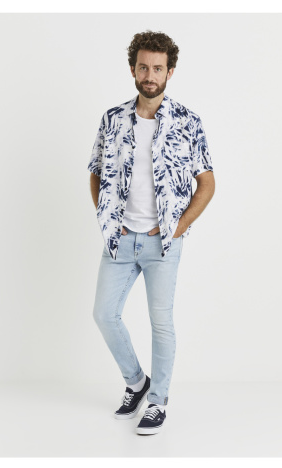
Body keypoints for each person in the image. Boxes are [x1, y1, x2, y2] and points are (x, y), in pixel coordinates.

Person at [88, 30, 215, 435]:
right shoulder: (112, 119)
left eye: (158, 68)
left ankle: (157, 401)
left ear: (169, 72)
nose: (150, 75)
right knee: (104, 314)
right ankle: (136, 381)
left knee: (161, 322)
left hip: (164, 243)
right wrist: (109, 219)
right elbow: (95, 173)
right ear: (133, 69)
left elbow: (207, 183)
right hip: (120, 240)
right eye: (143, 67)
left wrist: (178, 227)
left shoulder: (188, 122)